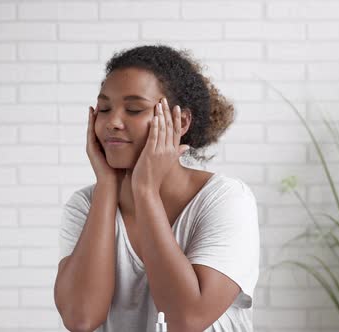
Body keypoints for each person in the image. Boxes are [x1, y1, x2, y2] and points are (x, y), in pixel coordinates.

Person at [54, 45, 260, 332]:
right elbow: (81, 318)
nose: (112, 122)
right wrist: (106, 187)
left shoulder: (225, 200)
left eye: (134, 109)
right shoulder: (85, 204)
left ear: (181, 121)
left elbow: (185, 320)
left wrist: (146, 192)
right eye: (104, 108)